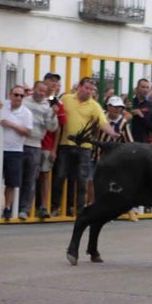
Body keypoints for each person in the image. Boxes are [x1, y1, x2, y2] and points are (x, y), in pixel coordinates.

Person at [56, 76, 117, 216]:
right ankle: (57, 207)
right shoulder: (66, 99)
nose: (89, 91)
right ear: (79, 87)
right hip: (65, 144)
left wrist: (112, 133)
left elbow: (102, 122)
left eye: (91, 89)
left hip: (84, 147)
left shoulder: (94, 105)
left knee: (81, 179)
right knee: (61, 176)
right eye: (86, 88)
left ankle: (79, 209)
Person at [0, 85, 32, 220]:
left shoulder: (26, 112)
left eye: (21, 96)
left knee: (11, 182)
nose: (18, 98)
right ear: (10, 94)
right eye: (16, 94)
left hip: (14, 150)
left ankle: (7, 207)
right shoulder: (1, 105)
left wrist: (12, 124)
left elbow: (28, 131)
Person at [20, 80, 58, 219]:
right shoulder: (24, 102)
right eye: (40, 90)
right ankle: (14, 207)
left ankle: (25, 209)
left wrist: (54, 115)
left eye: (44, 91)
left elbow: (52, 127)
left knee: (31, 179)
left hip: (36, 145)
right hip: (20, 143)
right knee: (18, 177)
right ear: (34, 89)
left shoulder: (46, 107)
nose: (42, 93)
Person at [128, 78, 152, 143]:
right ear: (137, 89)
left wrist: (141, 116)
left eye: (147, 87)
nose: (145, 90)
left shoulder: (151, 106)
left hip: (143, 143)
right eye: (143, 87)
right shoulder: (129, 103)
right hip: (128, 140)